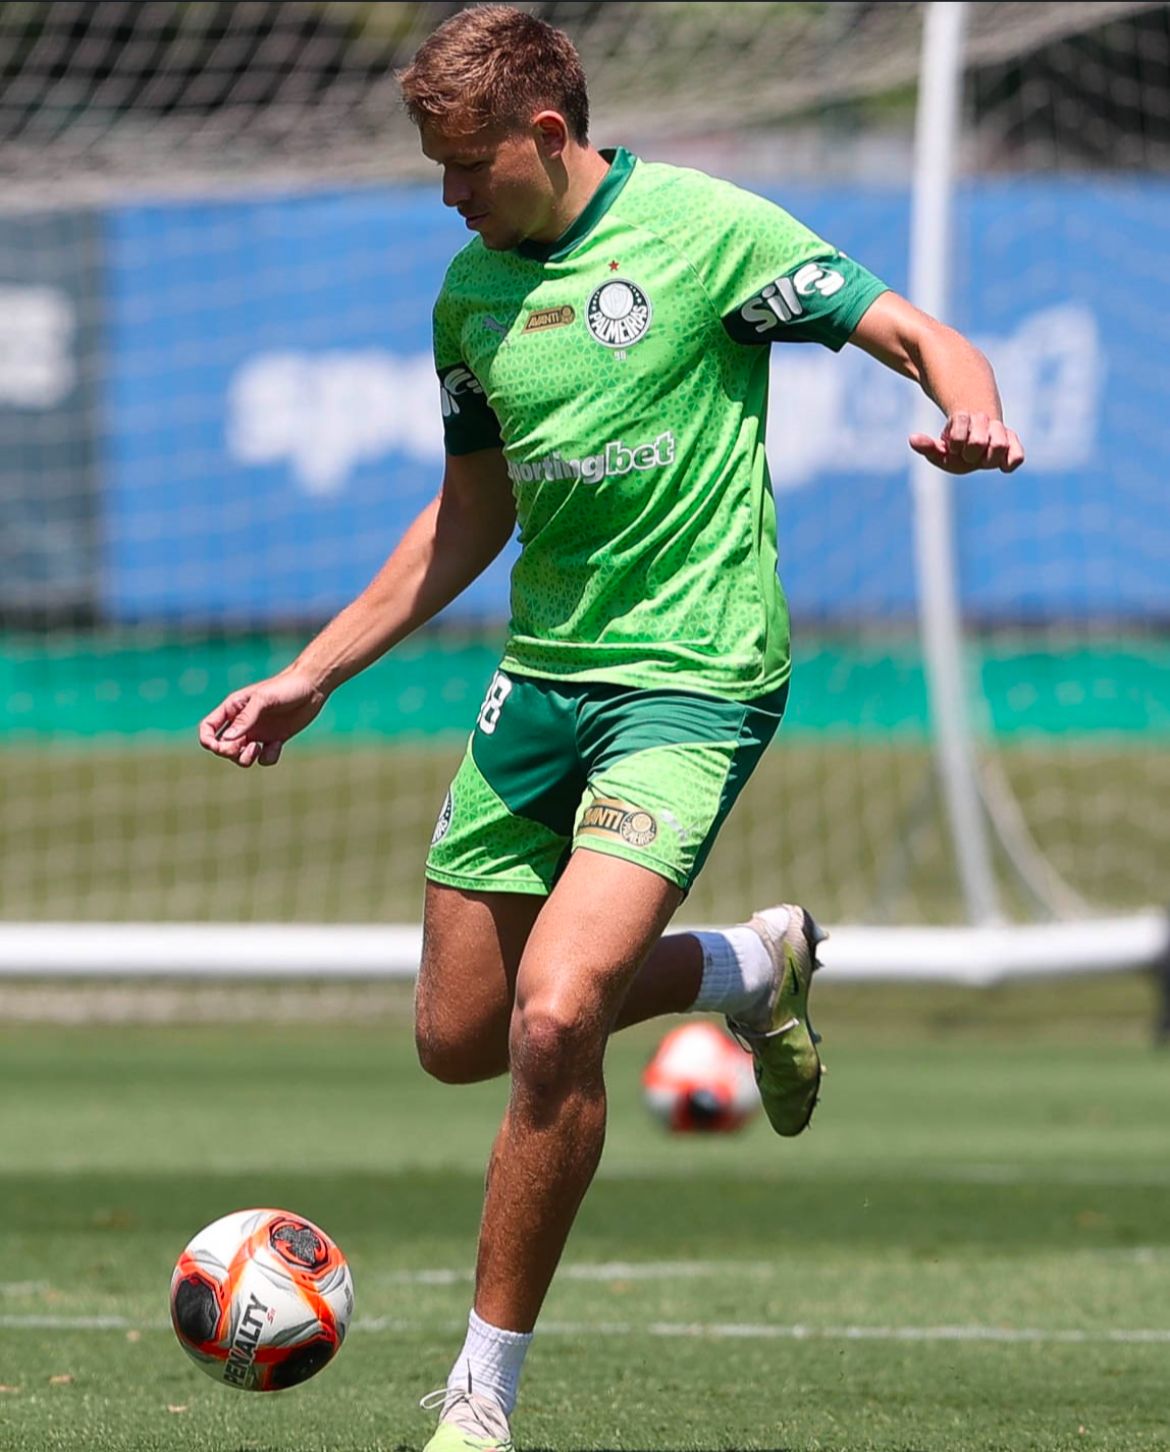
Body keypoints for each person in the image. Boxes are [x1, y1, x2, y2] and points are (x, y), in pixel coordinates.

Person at [199, 7, 1025, 1448]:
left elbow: (912, 331)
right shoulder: (468, 298)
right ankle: (745, 964)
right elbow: (470, 512)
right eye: (433, 170)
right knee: (461, 1037)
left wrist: (969, 413)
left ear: (543, 134)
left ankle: (478, 1397)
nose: (449, 196)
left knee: (557, 1013)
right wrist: (316, 672)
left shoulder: (710, 234)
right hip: (543, 680)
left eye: (466, 166)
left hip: (693, 680)